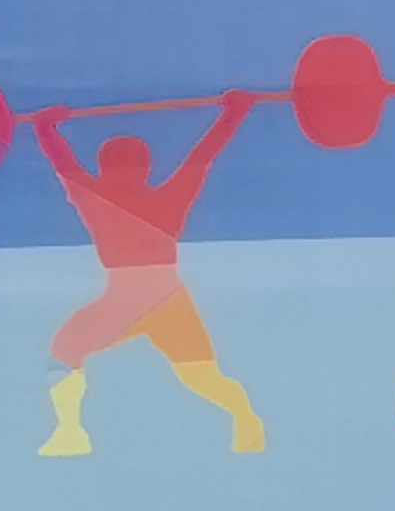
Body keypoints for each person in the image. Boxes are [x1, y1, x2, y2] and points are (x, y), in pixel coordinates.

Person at [30, 95, 267, 456]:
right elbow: (203, 156)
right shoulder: (168, 197)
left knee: (64, 353)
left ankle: (71, 432)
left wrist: (45, 128)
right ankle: (246, 418)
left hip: (127, 302)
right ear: (147, 168)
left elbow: (63, 165)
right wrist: (235, 112)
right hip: (168, 299)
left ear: (102, 168)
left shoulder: (92, 198)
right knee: (202, 375)